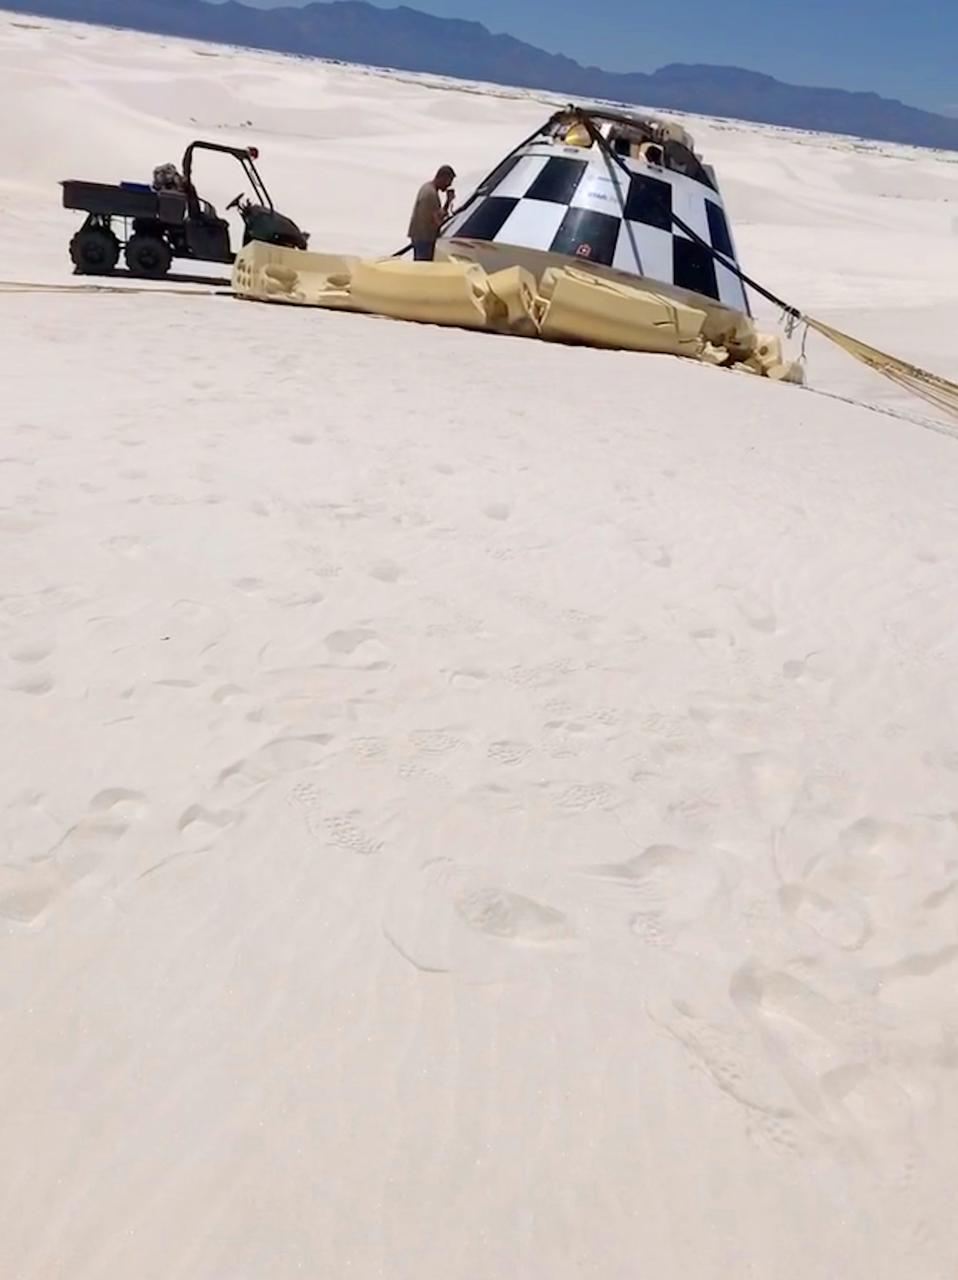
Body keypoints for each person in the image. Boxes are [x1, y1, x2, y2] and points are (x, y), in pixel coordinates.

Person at [408, 165, 456, 261]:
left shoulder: (427, 188)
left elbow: (436, 214)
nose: (449, 185)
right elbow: (438, 221)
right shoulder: (431, 194)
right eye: (448, 181)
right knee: (423, 267)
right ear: (443, 178)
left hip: (419, 236)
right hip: (424, 238)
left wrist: (448, 202)